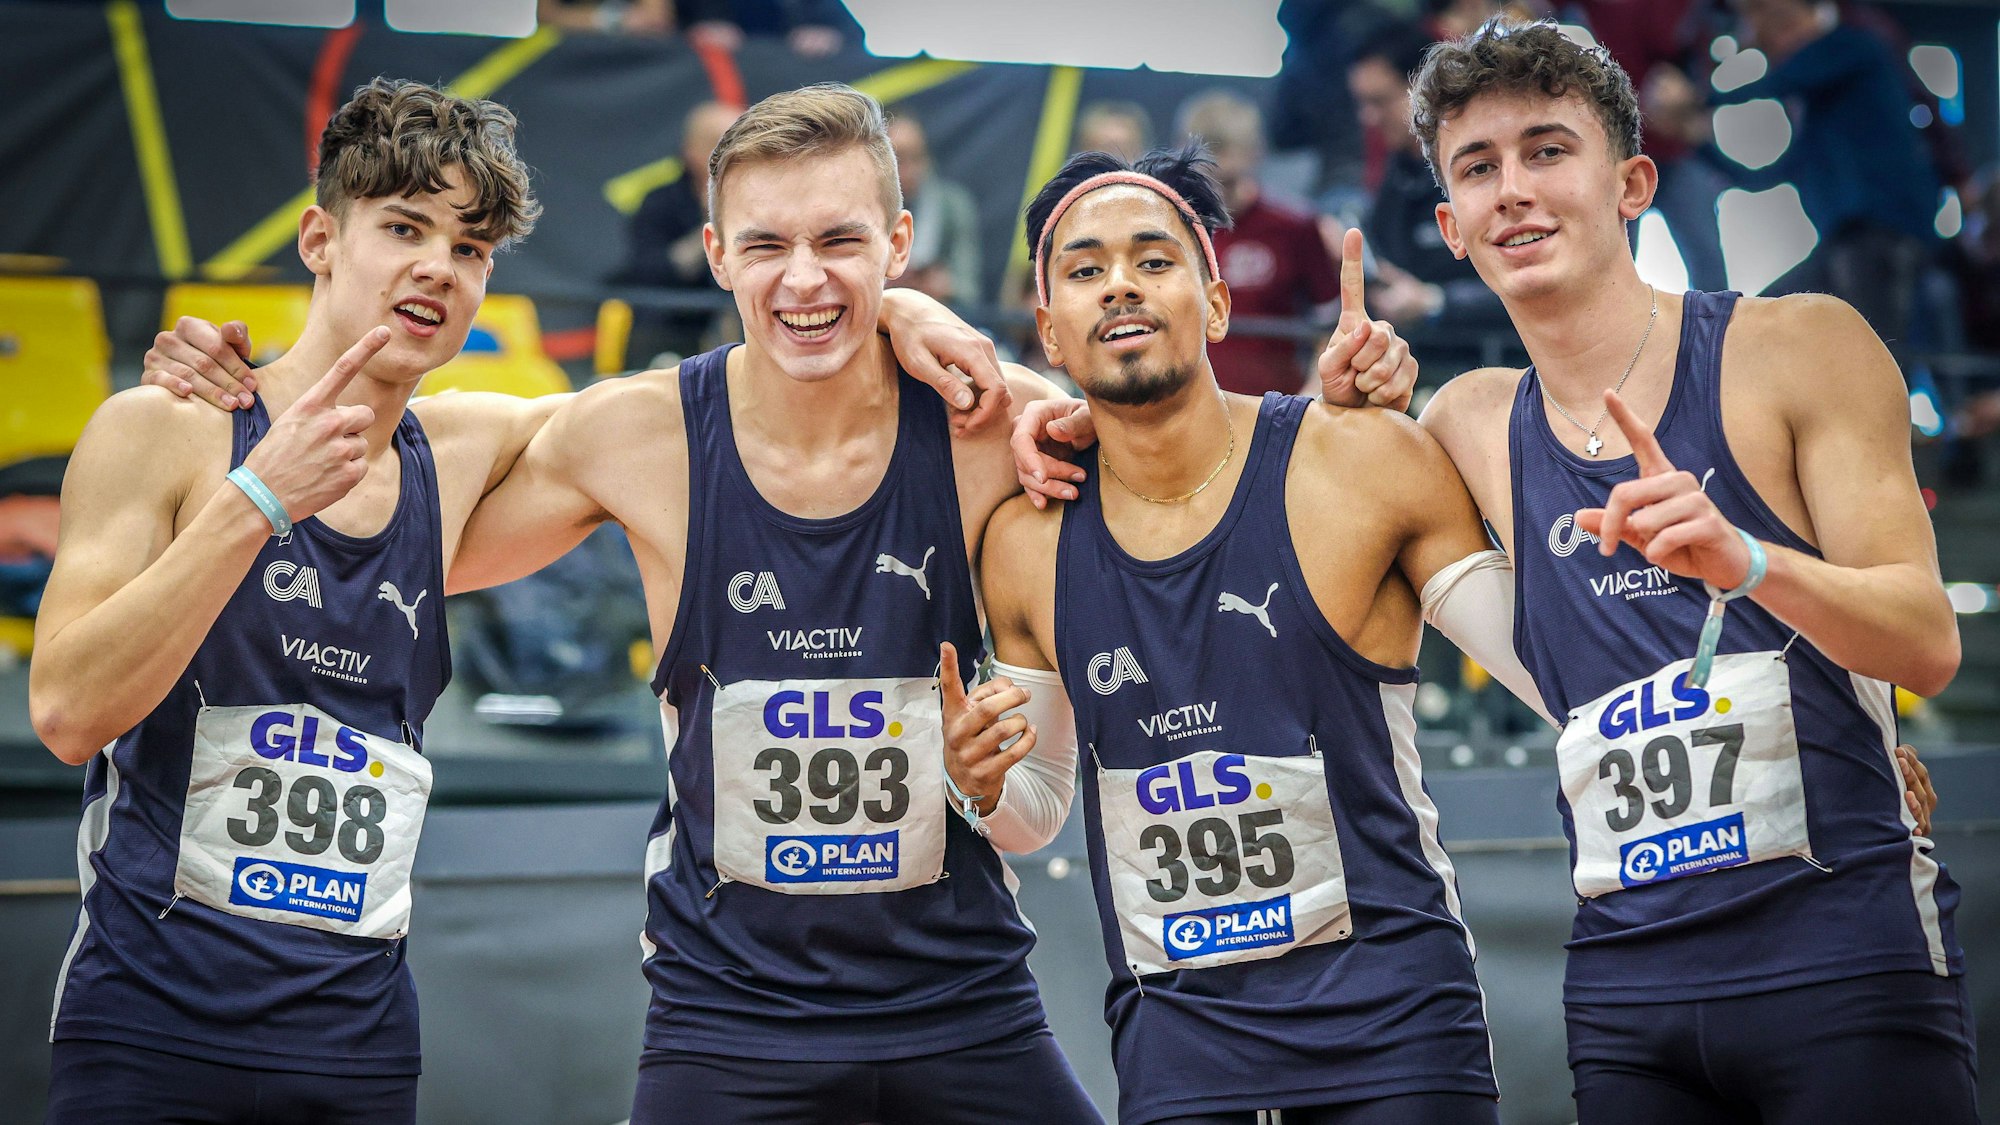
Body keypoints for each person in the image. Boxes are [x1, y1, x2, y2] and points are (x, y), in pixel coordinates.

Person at [409, 83, 1103, 1124]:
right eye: (767, 244)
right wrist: (222, 411)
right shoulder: (637, 437)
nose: (805, 278)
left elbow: (1178, 473)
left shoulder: (992, 426)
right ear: (716, 252)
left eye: (840, 240)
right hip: (726, 1018)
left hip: (962, 999)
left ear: (898, 242)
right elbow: (409, 521)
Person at [1404, 19, 1972, 1123]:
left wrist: (1750, 562)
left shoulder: (1797, 344)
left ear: (1630, 181)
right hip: (1627, 988)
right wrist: (1343, 402)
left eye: (1546, 150)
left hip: (1840, 958)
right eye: (1477, 169)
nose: (1511, 190)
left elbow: (1924, 641)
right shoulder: (1463, 421)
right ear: (1450, 226)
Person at [978, 140, 1557, 1125]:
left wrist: (1830, 720)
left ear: (1215, 302)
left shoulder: (1358, 459)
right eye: (1083, 271)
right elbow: (1027, 815)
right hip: (1175, 1049)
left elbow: (1559, 672)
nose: (1119, 286)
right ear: (1047, 333)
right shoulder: (1022, 541)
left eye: (1153, 261)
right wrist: (977, 777)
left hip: (1390, 1031)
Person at [31, 78, 550, 1124]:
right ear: (319, 237)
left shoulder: (465, 450)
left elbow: (712, 410)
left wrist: (894, 306)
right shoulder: (163, 427)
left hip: (357, 1046)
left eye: (468, 248)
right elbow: (66, 713)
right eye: (403, 226)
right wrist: (257, 497)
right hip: (149, 1023)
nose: (434, 269)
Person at [1717, 0, 1941, 352]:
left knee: (1875, 360)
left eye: (1770, 35)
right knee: (1752, 327)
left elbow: (1781, 80)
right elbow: (1761, 177)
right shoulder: (1819, 112)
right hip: (1845, 242)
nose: (1772, 52)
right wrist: (1695, 140)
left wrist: (1697, 100)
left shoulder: (1853, 46)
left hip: (1881, 235)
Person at [1345, 19, 1514, 366]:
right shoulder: (1395, 179)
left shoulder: (1487, 169)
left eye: (1379, 101)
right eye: (1362, 103)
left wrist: (1436, 301)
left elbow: (1533, 276)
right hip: (1425, 366)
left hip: (1505, 363)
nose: (1369, 117)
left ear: (1420, 90)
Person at [1178, 90, 1340, 397]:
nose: (1219, 196)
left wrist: (1312, 394)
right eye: (1207, 181)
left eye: (1228, 182)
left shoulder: (1296, 227)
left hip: (1276, 406)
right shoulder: (1172, 228)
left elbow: (1331, 324)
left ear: (1254, 153)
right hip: (1188, 404)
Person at [615, 101, 742, 366]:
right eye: (720, 144)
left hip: (739, 330)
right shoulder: (660, 202)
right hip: (669, 333)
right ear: (692, 151)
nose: (734, 154)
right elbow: (650, 273)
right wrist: (711, 223)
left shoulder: (761, 203)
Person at [889, 113, 983, 308]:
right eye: (898, 158)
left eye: (916, 157)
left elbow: (968, 286)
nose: (908, 170)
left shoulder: (952, 206)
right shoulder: (864, 209)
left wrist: (944, 284)